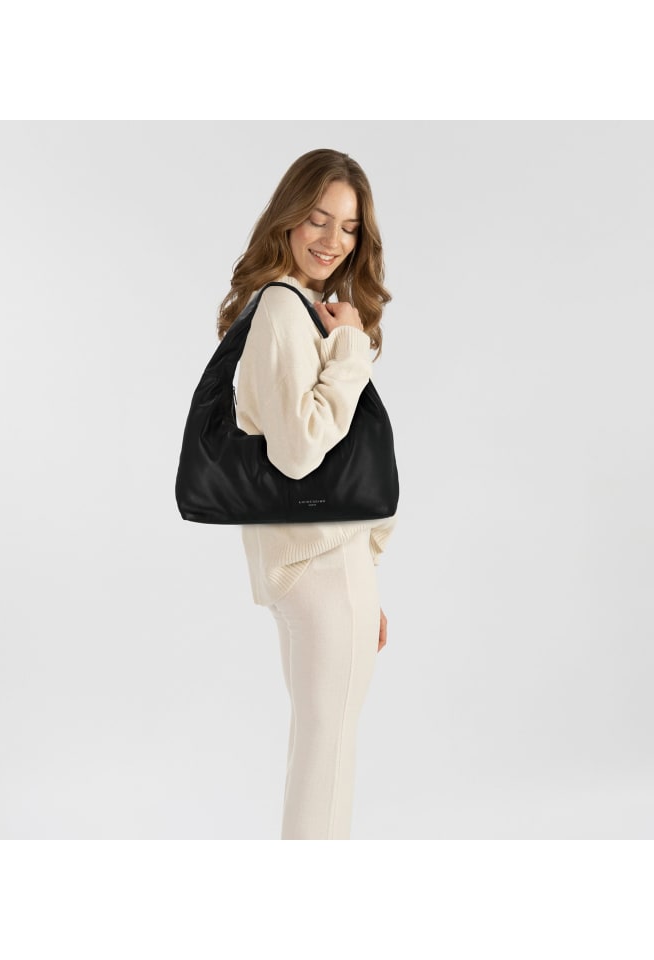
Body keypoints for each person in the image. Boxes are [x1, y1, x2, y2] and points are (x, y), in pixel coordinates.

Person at [216, 148, 398, 840]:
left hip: (313, 570)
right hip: (325, 569)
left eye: (349, 227)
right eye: (319, 218)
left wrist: (366, 582)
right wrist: (350, 348)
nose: (332, 240)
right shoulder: (286, 311)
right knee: (327, 763)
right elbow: (298, 453)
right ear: (289, 218)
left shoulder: (288, 309)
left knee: (316, 757)